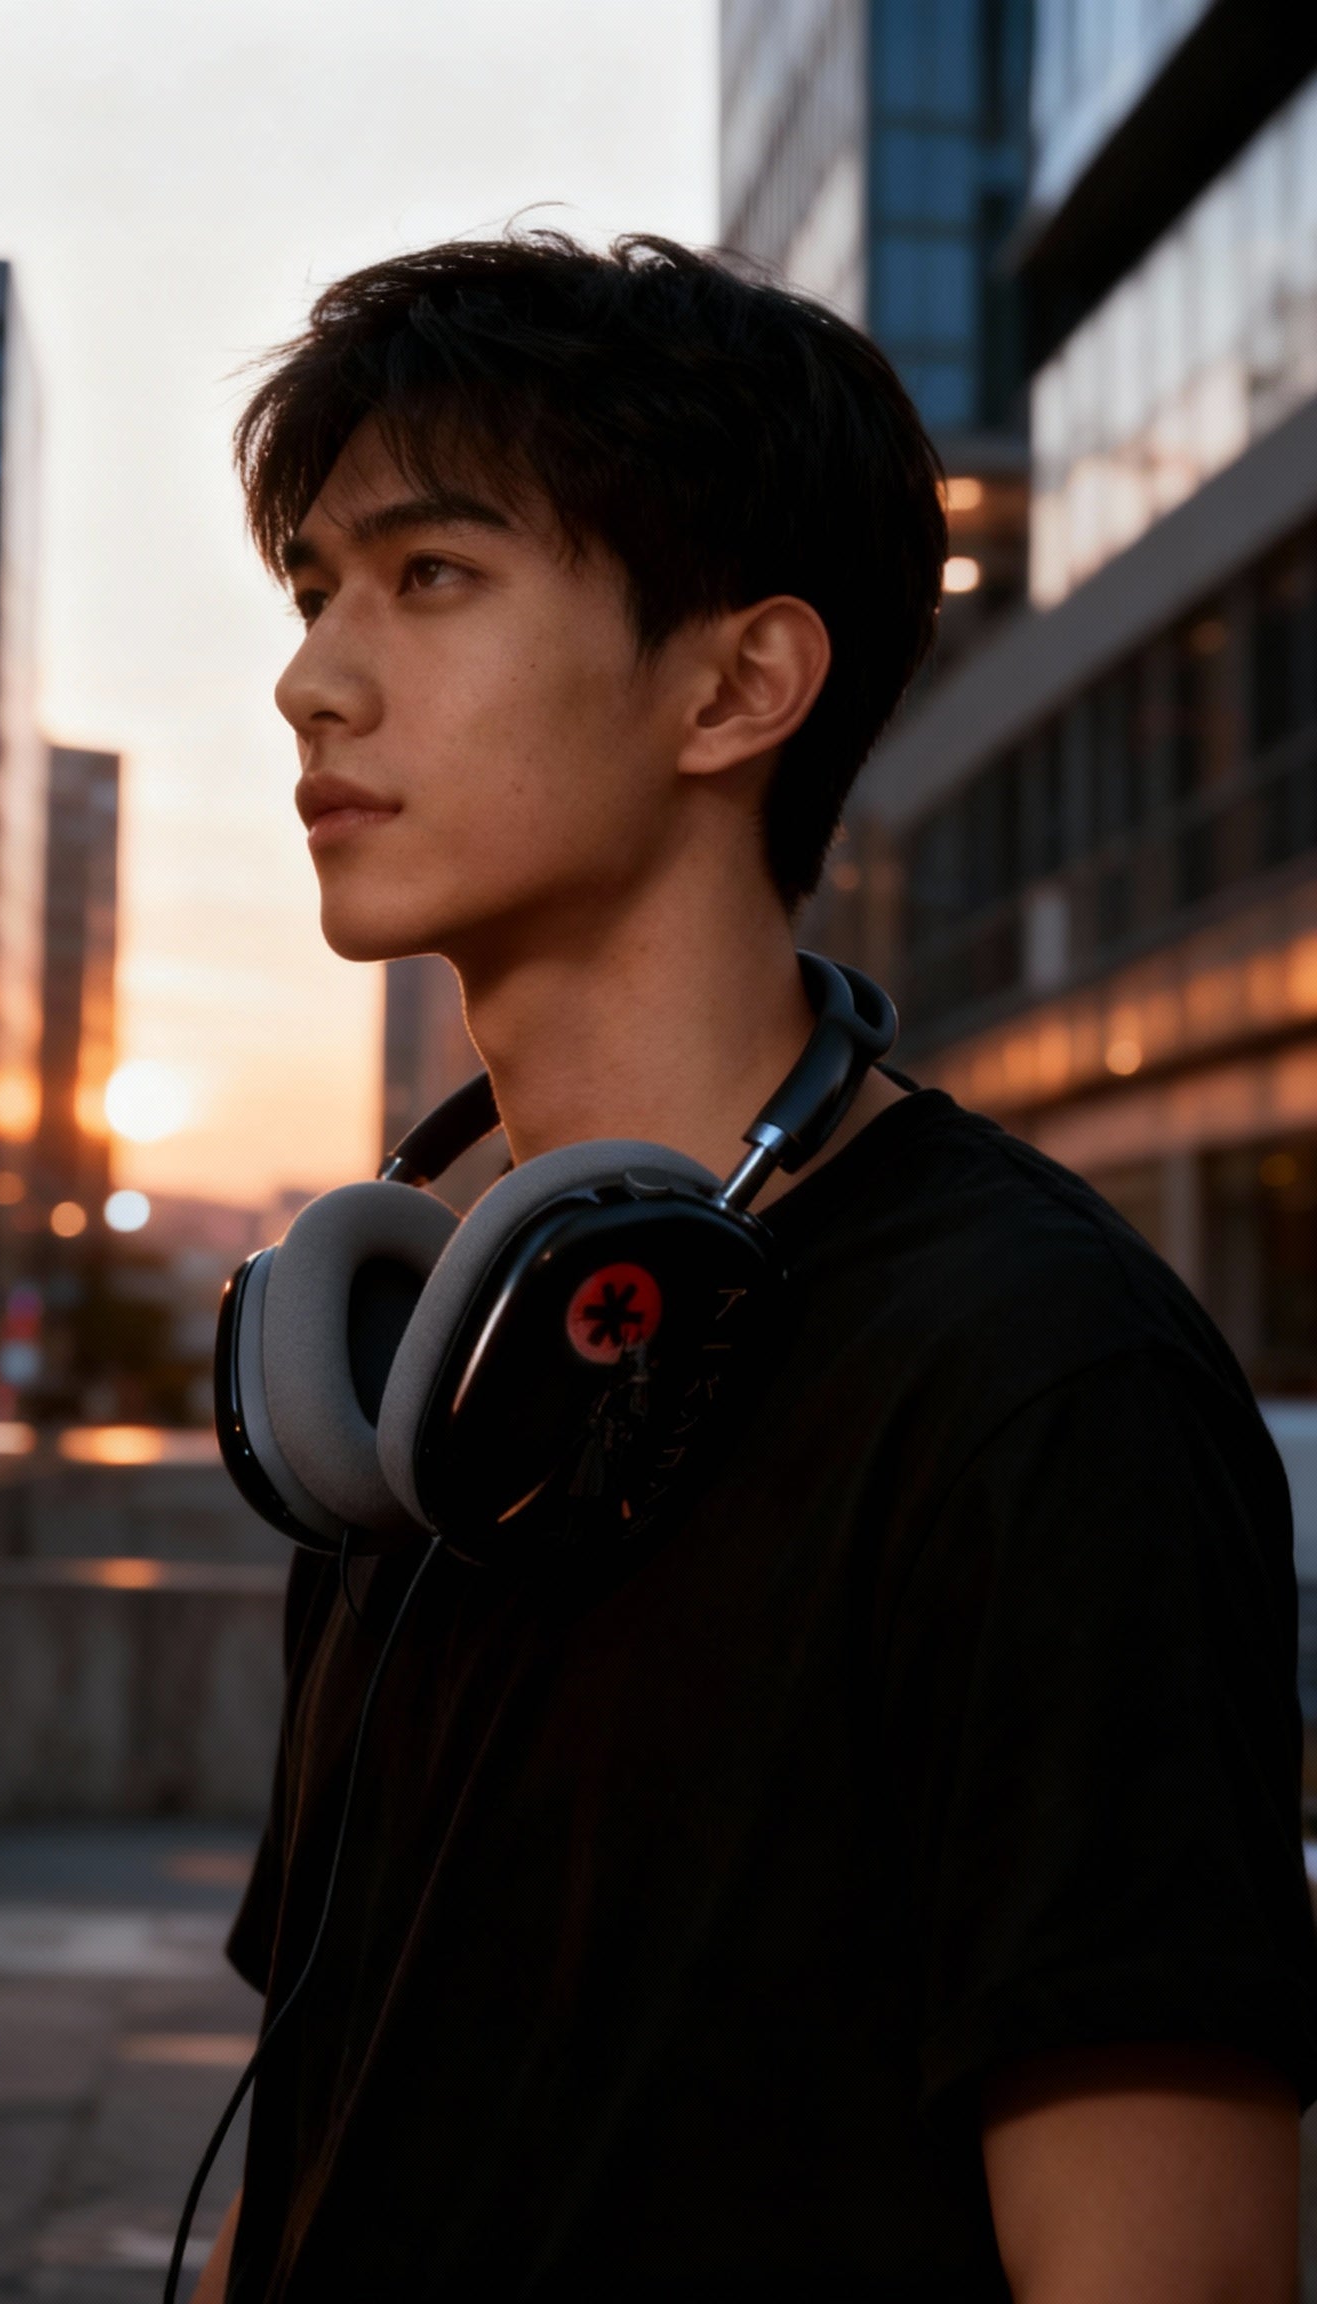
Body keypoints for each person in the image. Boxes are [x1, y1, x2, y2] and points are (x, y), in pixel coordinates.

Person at [189, 233, 1317, 2302]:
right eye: (316, 588)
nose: (312, 677)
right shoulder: (411, 1394)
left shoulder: (1038, 1383)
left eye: (429, 577)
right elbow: (321, 2124)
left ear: (736, 685)